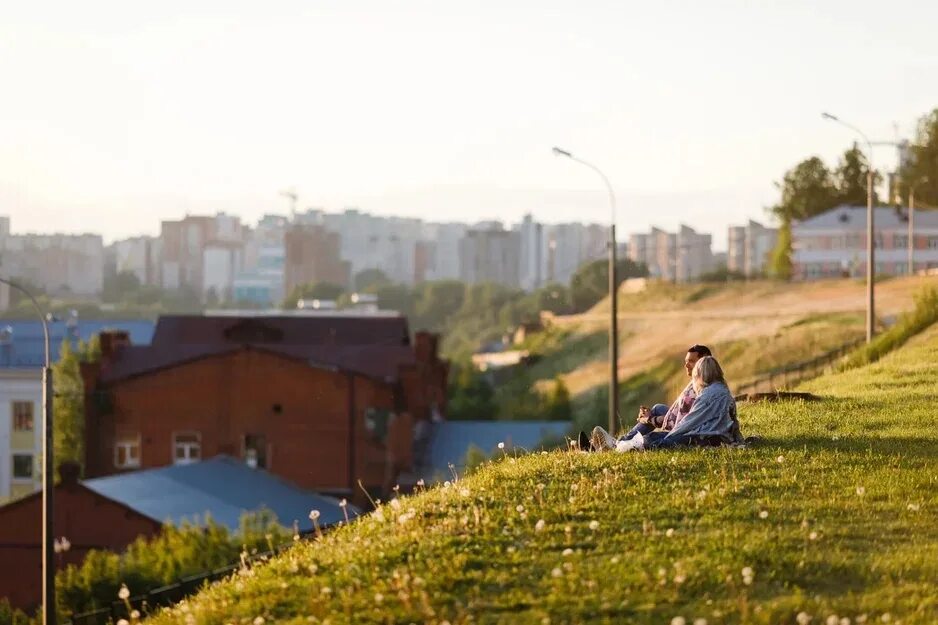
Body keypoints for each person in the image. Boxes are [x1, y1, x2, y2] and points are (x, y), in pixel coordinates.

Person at [586, 344, 712, 451]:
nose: (686, 365)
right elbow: (679, 414)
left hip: (689, 432)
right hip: (686, 424)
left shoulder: (701, 388)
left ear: (704, 362)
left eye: (691, 361)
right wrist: (652, 416)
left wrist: (650, 419)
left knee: (653, 428)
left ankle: (617, 445)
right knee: (658, 408)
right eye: (686, 361)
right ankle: (618, 442)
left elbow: (682, 423)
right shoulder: (698, 382)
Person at [617, 355, 743, 451]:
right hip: (720, 437)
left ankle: (623, 446)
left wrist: (668, 436)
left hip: (706, 439)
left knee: (652, 439)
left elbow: (690, 422)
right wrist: (738, 440)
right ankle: (624, 444)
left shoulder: (707, 395)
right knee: (656, 431)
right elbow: (733, 422)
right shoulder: (723, 389)